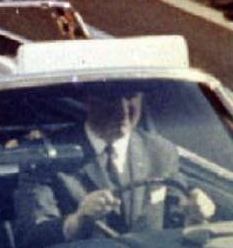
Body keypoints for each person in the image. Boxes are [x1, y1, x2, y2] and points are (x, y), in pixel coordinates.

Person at [13, 89, 216, 248]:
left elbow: (175, 221)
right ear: (87, 99)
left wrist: (194, 216)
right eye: (110, 98)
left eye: (130, 96)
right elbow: (31, 236)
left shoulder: (160, 151)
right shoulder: (46, 155)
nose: (123, 109)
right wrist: (78, 221)